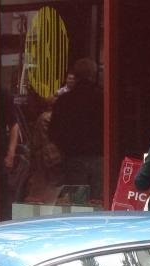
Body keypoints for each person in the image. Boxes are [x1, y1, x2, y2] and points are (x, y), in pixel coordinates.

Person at [48, 58, 103, 203]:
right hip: (100, 156)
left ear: (76, 76)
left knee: (78, 205)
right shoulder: (103, 97)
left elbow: (53, 131)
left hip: (73, 158)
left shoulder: (64, 100)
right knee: (99, 202)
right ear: (93, 74)